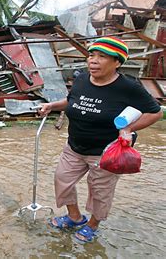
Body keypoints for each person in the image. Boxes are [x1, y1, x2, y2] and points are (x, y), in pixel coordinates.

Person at [39, 36, 162, 243]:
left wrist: (129, 128)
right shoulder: (81, 79)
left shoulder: (128, 87)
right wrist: (52, 106)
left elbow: (155, 112)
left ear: (117, 63)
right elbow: (71, 101)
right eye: (91, 55)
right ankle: (74, 217)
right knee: (62, 180)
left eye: (102, 57)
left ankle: (92, 225)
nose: (93, 61)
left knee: (100, 191)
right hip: (74, 146)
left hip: (105, 151)